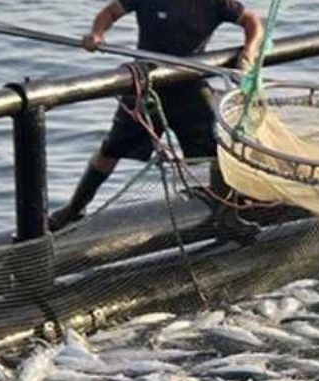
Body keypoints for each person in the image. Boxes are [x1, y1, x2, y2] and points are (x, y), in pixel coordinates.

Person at [48, 0, 264, 231]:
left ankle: (228, 213)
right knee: (111, 150)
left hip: (187, 83)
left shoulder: (216, 2)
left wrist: (249, 50)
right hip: (147, 85)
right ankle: (75, 208)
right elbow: (111, 12)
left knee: (215, 152)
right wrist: (97, 33)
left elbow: (252, 21)